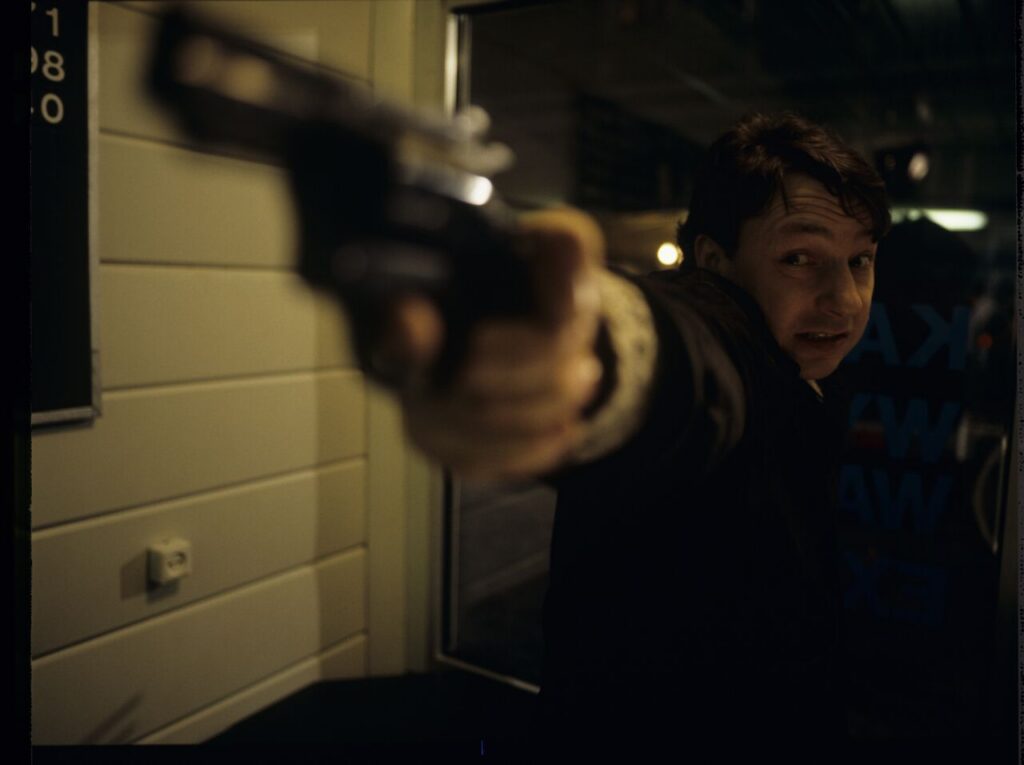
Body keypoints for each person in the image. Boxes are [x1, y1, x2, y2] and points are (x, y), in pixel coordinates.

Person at [380, 112, 891, 758]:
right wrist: (597, 357)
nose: (843, 297)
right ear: (713, 261)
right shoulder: (730, 338)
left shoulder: (810, 366)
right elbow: (693, 351)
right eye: (799, 257)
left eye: (860, 260)